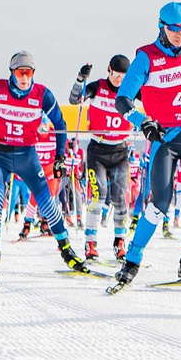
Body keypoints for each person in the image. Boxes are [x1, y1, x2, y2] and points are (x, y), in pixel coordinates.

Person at [110, 4, 181, 288]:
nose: (179, 33)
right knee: (160, 202)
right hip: (166, 138)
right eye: (174, 28)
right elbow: (122, 99)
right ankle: (132, 260)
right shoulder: (145, 58)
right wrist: (142, 120)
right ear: (161, 25)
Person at [0, 53, 92, 280]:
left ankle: (66, 249)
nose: (25, 78)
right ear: (12, 72)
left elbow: (60, 123)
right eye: (20, 73)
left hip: (27, 155)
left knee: (47, 202)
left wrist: (59, 157)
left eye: (29, 73)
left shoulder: (42, 94)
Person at [67, 56, 137, 262]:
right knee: (98, 196)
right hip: (98, 150)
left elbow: (153, 100)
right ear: (109, 70)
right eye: (115, 75)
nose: (118, 80)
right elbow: (74, 100)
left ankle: (120, 242)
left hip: (121, 151)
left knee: (119, 198)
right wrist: (81, 79)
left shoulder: (131, 89)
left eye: (123, 77)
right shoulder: (98, 87)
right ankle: (90, 242)